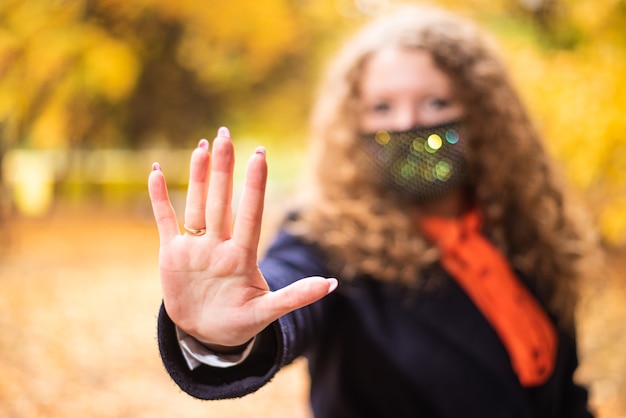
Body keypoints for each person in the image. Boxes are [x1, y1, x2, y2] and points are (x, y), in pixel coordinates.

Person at [148, 4, 598, 417]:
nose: (408, 123)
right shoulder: (326, 234)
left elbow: (565, 396)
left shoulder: (526, 231)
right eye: (383, 106)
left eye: (436, 102)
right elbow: (290, 292)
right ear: (353, 124)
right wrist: (222, 339)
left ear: (482, 114)